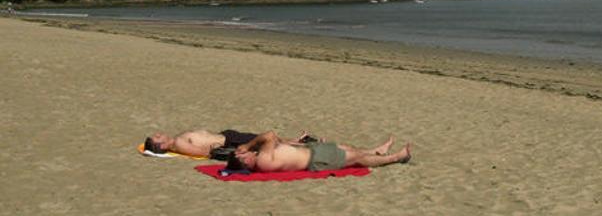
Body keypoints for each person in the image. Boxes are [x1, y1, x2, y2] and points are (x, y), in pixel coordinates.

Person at [227, 131, 411, 173]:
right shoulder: (263, 161)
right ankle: (397, 157)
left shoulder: (262, 158)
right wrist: (249, 145)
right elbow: (269, 135)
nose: (244, 152)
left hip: (311, 151)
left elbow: (275, 140)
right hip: (317, 159)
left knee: (348, 149)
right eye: (242, 154)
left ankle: (377, 151)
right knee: (358, 158)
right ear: (245, 160)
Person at [144, 129, 319, 157]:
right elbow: (203, 152)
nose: (159, 134)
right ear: (161, 146)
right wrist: (220, 151)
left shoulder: (177, 140)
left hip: (226, 135)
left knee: (261, 136)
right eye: (156, 138)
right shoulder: (179, 145)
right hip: (228, 141)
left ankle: (297, 141)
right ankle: (305, 145)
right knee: (267, 141)